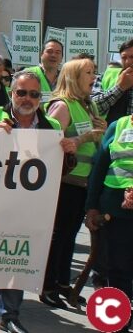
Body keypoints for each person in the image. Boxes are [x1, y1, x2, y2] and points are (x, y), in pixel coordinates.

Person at [0, 71, 77, 333]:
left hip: (28, 209)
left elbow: (59, 170)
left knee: (17, 261)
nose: (27, 99)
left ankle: (10, 316)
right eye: (21, 92)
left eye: (34, 94)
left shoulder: (49, 128)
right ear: (12, 92)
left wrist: (68, 154)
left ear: (40, 98)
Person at [40, 57, 106, 308]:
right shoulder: (63, 105)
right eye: (88, 72)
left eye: (94, 72)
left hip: (83, 182)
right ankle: (47, 286)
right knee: (58, 235)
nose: (93, 78)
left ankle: (62, 283)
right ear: (73, 77)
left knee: (69, 236)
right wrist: (85, 137)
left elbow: (97, 143)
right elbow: (50, 141)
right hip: (65, 181)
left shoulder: (89, 105)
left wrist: (103, 131)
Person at [86, 101, 133, 323]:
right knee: (117, 270)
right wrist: (91, 207)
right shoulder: (119, 126)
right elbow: (99, 169)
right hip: (115, 213)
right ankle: (119, 322)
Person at [92, 38, 133, 123]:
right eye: (124, 57)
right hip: (110, 134)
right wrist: (119, 88)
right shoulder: (106, 76)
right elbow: (93, 107)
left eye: (132, 57)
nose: (128, 62)